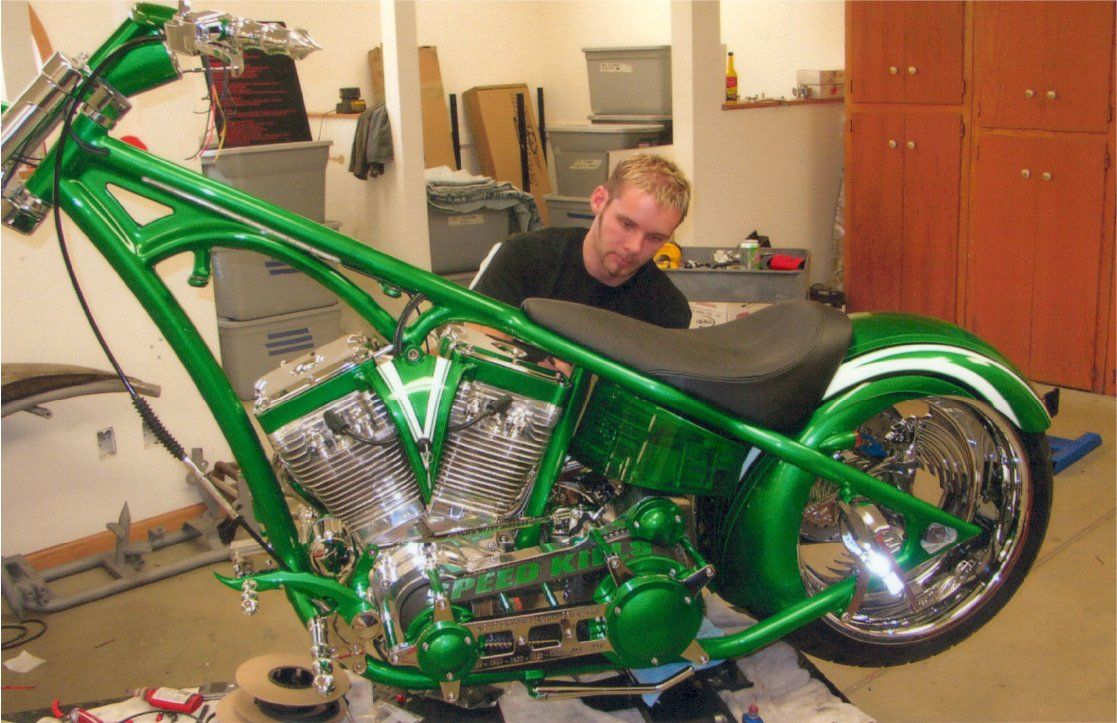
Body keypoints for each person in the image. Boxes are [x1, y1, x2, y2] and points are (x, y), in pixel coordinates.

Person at [473, 153, 692, 329]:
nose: (634, 247)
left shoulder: (668, 311)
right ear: (599, 200)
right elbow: (476, 347)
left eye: (655, 238)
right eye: (626, 224)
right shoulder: (522, 258)